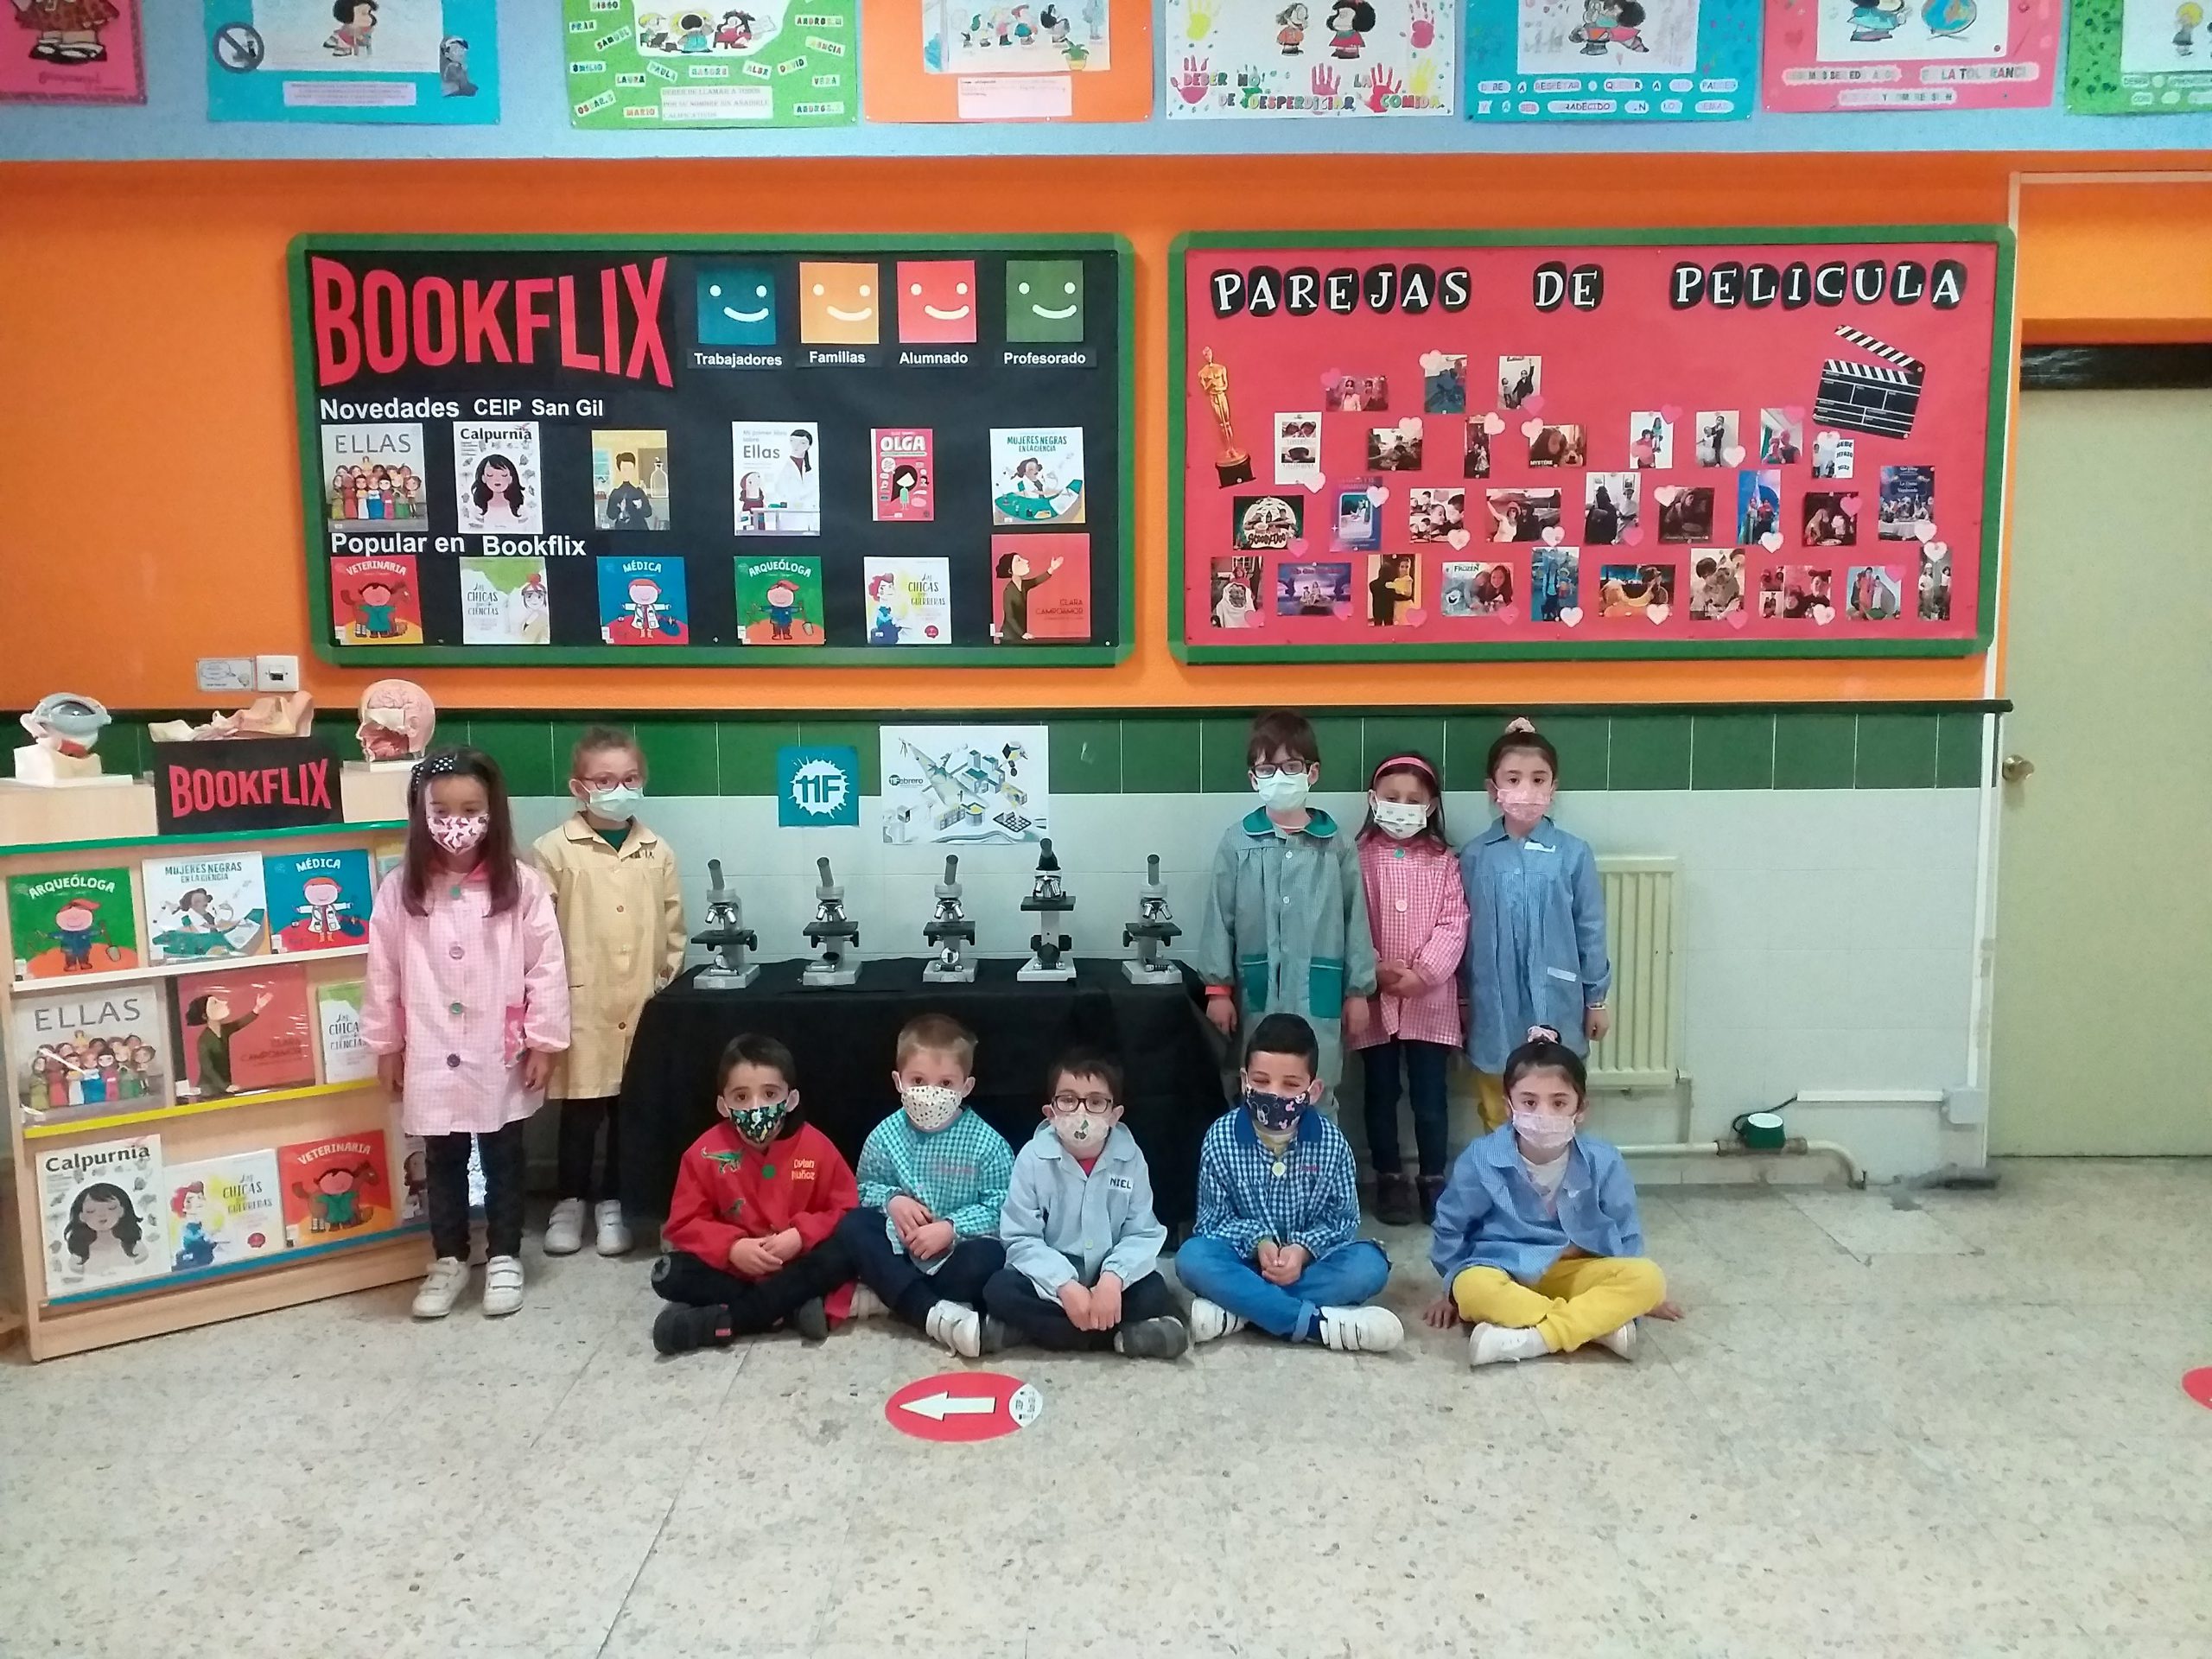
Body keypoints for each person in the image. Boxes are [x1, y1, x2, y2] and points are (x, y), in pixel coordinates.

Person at [363, 747, 570, 1320]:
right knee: (443, 1157)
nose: (457, 822)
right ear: (421, 813)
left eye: (471, 809)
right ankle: (449, 1258)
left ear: (493, 811)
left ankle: (504, 1254)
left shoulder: (522, 886)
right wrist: (387, 1045)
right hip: (430, 1047)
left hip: (497, 1047)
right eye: (443, 810)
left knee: (504, 1153)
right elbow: (382, 971)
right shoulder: (400, 888)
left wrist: (544, 1040)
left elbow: (546, 967)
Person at [1425, 1037, 1679, 1365]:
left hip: (1576, 1269)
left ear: (1581, 1109)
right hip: (1504, 1268)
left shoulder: (1604, 1160)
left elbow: (1625, 1228)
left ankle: (1536, 1338)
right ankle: (1598, 1330)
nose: (1543, 1114)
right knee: (1470, 1287)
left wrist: (1641, 1296)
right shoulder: (1482, 1157)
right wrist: (1450, 1287)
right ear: (1508, 1106)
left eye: (1559, 1103)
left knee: (1648, 1279)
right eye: (1529, 1102)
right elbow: (1451, 1226)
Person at [532, 728, 686, 1261]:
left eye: (629, 778)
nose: (618, 789)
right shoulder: (552, 850)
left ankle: (614, 1203)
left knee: (627, 1110)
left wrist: (663, 979)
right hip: (582, 1002)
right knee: (581, 1109)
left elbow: (673, 927)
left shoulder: (656, 850)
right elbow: (538, 933)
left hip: (641, 999)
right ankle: (569, 1202)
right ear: (579, 787)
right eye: (604, 780)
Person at [1175, 1014, 1402, 1352]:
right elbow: (1212, 1222)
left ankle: (1241, 1310)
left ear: (1313, 1091)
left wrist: (1302, 1250)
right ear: (1244, 1081)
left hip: (1307, 1269)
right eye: (1261, 1081)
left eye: (1291, 1085)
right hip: (1245, 1264)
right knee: (1192, 1258)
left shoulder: (1332, 1144)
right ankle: (1314, 1325)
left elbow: (1342, 1222)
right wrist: (1259, 1242)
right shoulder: (1220, 1137)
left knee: (1369, 1266)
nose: (1274, 1094)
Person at [1196, 709, 1377, 1106]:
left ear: (1312, 773)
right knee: (1256, 1083)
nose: (1280, 777)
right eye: (1268, 769)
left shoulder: (1336, 845)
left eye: (1291, 766)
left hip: (1319, 999)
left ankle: (1317, 1146)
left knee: (1317, 1085)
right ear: (1253, 778)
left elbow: (1356, 922)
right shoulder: (1238, 843)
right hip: (1256, 998)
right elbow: (1219, 919)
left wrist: (1357, 992)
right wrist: (1218, 991)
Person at [650, 1033, 861, 1356]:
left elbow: (847, 1210)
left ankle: (725, 1320)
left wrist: (800, 1236)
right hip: (736, 1271)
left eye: (770, 1094)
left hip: (797, 1264)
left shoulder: (817, 1147)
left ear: (791, 1099)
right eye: (741, 1096)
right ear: (723, 1105)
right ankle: (789, 1308)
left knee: (844, 1254)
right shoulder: (702, 1154)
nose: (756, 1107)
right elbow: (684, 1223)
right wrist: (731, 1248)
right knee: (670, 1273)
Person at [982, 1048, 1188, 1358]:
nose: (1081, 1112)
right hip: (1051, 1283)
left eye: (1096, 1102)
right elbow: (1020, 1238)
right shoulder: (1032, 1159)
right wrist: (1063, 1285)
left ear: (1115, 1114)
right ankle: (1119, 1338)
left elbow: (1142, 1233)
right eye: (1068, 1100)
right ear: (1050, 1112)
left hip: (1110, 1280)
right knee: (999, 1290)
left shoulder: (1131, 1158)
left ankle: (1035, 1332)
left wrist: (1112, 1279)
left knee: (1153, 1291)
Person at [831, 1014, 1014, 1357]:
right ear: (898, 1081)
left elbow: (1002, 1206)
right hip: (897, 1249)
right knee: (853, 1226)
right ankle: (931, 1311)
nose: (931, 1094)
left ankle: (889, 1298)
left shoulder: (988, 1144)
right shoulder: (884, 1136)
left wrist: (951, 1228)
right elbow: (863, 1189)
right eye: (918, 1080)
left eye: (946, 1083)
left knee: (991, 1259)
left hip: (954, 1254)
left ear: (966, 1087)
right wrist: (893, 1201)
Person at [1459, 721, 1611, 1135]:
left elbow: (1590, 927)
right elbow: (1463, 935)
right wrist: (1462, 1000)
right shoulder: (1475, 856)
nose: (1526, 789)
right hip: (1493, 1003)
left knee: (1554, 1097)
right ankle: (1502, 1173)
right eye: (1513, 779)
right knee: (1498, 1104)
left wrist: (1596, 1000)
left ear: (1553, 787)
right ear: (1492, 789)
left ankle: (1557, 1173)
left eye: (1538, 779)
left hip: (1558, 1001)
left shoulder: (1572, 854)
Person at [1349, 753, 1468, 1227]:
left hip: (1430, 1001)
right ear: (1373, 800)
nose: (1401, 808)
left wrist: (1425, 973)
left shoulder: (1444, 861)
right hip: (1375, 997)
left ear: (1431, 805)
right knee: (1379, 1093)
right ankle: (1389, 1178)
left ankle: (1433, 1179)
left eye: (1413, 800)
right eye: (1392, 798)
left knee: (1430, 1097)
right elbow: (1350, 920)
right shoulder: (1356, 857)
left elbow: (1455, 923)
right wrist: (1373, 968)